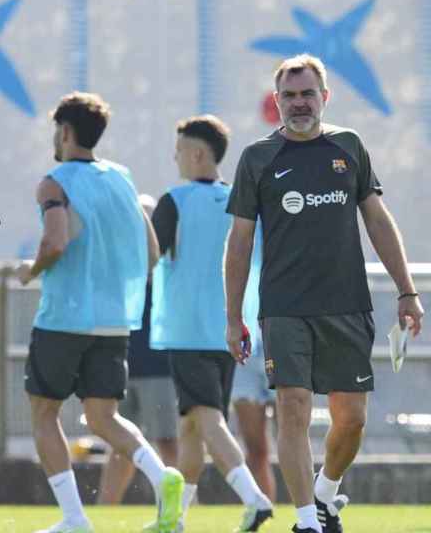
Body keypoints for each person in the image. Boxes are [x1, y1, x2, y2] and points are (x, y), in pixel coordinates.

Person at [225, 54, 424, 533]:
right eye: (289, 96)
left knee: (350, 419)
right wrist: (234, 317)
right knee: (292, 407)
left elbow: (376, 219)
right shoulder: (257, 158)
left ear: (324, 97)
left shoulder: (349, 146)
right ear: (277, 102)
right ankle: (305, 523)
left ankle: (325, 494)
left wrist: (407, 291)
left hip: (347, 305)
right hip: (285, 308)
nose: (298, 103)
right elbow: (239, 242)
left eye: (307, 94)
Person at [16, 92, 184, 533]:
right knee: (102, 416)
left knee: (44, 413)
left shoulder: (54, 182)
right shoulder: (122, 178)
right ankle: (162, 475)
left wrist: (29, 272)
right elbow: (150, 252)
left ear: (65, 132)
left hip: (64, 318)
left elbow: (55, 242)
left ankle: (74, 518)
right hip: (115, 321)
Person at [150, 115, 273, 532]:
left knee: (205, 418)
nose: (176, 157)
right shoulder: (242, 200)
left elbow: (148, 257)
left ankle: (254, 498)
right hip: (229, 329)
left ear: (198, 153)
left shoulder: (175, 199)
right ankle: (175, 520)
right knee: (191, 426)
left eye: (180, 149)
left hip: (186, 330)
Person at [97, 195, 179, 506]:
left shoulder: (165, 264)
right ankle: (106, 509)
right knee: (121, 445)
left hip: (160, 367)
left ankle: (180, 507)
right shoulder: (117, 264)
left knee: (168, 441)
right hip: (123, 364)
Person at [231, 233, 278, 503]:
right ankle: (265, 512)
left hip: (282, 339)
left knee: (293, 436)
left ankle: (307, 514)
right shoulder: (232, 213)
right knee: (255, 448)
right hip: (245, 347)